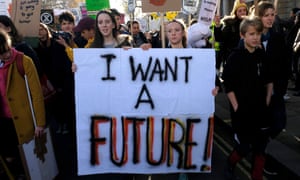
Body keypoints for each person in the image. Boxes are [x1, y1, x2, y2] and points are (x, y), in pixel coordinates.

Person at [222, 16, 273, 180]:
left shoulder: (261, 55)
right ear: (242, 36)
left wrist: (267, 100)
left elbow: (268, 80)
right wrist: (236, 106)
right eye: (251, 34)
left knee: (260, 148)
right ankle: (230, 163)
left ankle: (256, 177)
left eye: (258, 33)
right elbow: (228, 86)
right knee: (244, 147)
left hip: (261, 110)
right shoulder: (234, 57)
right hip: (242, 110)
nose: (255, 37)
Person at [0, 29, 45, 179]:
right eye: (1, 54)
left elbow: (37, 95)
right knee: (9, 157)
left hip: (25, 119)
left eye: (6, 50)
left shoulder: (24, 61)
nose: (6, 55)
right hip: (4, 121)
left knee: (29, 157)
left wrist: (40, 123)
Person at [214, 1, 248, 70]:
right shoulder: (230, 24)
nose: (242, 12)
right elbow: (220, 38)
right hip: (232, 59)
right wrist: (217, 26)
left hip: (247, 58)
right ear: (236, 12)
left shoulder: (250, 23)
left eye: (244, 10)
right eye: (240, 11)